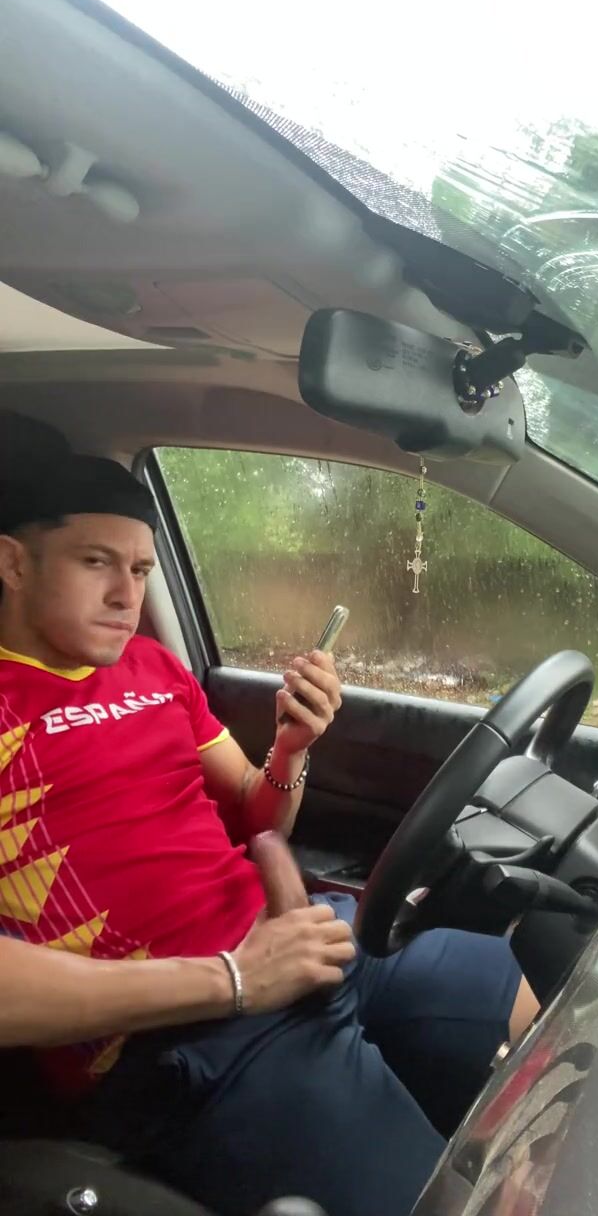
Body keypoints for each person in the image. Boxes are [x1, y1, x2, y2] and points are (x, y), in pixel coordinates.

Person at [0, 449, 537, 1216]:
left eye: (142, 571)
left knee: (529, 1008)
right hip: (176, 1033)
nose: (127, 595)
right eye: (96, 563)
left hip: (297, 935)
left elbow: (256, 813)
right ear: (14, 563)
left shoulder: (153, 667)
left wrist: (289, 750)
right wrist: (238, 978)